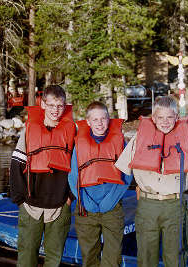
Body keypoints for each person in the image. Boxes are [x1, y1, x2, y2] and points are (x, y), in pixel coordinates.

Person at [115, 96, 188, 267]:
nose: (165, 122)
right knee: (146, 257)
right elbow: (123, 171)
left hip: (174, 205)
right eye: (160, 117)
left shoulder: (187, 141)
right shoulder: (140, 140)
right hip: (147, 205)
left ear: (176, 118)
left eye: (169, 117)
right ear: (153, 118)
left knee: (175, 257)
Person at [10, 85, 76, 267]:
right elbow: (16, 165)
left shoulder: (72, 131)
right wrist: (20, 200)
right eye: (52, 105)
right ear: (43, 105)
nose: (56, 110)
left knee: (54, 259)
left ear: (65, 106)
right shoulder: (29, 130)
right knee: (26, 257)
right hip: (31, 206)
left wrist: (70, 198)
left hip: (60, 206)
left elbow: (78, 168)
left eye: (60, 106)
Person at [68, 101, 133, 267]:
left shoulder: (119, 142)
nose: (99, 123)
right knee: (89, 256)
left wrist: (109, 201)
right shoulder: (79, 145)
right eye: (95, 120)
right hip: (85, 206)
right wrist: (86, 200)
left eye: (103, 119)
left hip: (112, 207)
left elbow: (126, 175)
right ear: (88, 122)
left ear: (109, 119)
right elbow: (73, 176)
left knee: (113, 257)